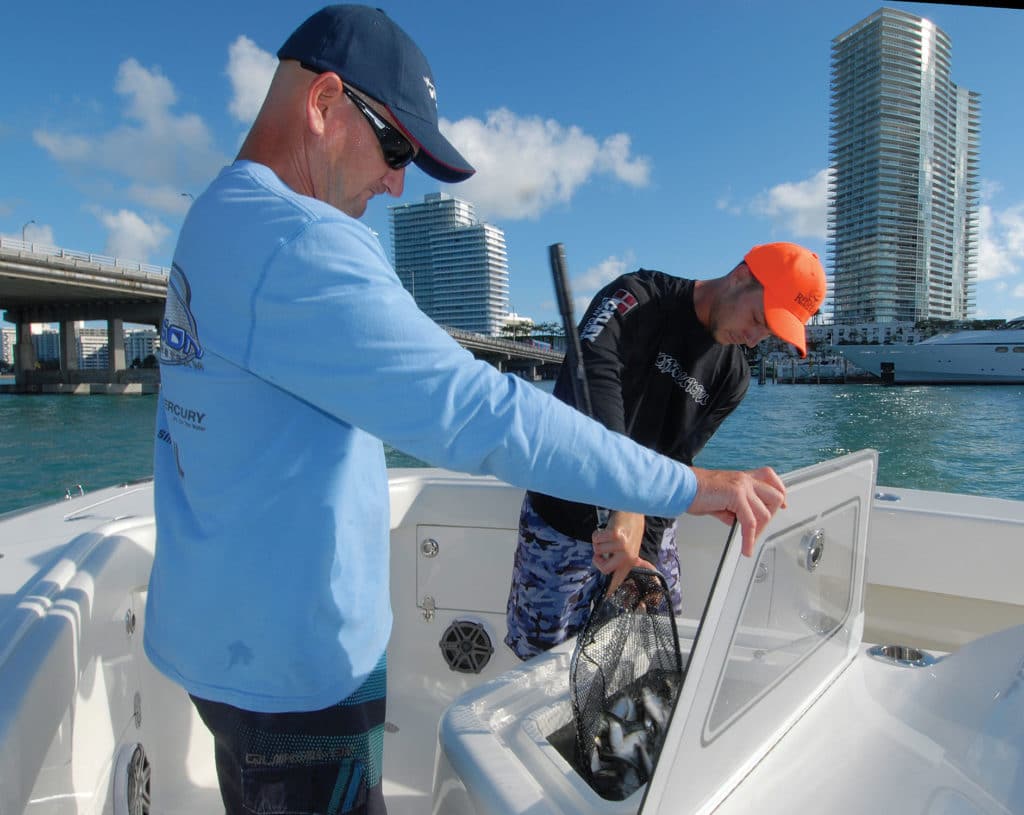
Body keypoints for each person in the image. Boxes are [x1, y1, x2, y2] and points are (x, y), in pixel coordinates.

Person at [144, 6, 788, 814]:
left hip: (217, 638)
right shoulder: (299, 243)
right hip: (294, 670)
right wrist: (687, 488)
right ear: (325, 102)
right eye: (395, 147)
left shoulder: (213, 216)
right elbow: (482, 411)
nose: (396, 181)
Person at [505, 242, 827, 661]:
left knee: (649, 662)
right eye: (757, 319)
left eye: (768, 334)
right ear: (742, 276)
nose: (752, 339)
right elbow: (586, 395)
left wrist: (644, 559)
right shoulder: (634, 299)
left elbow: (678, 463)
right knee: (539, 666)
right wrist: (626, 499)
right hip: (561, 522)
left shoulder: (732, 377)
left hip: (648, 526)